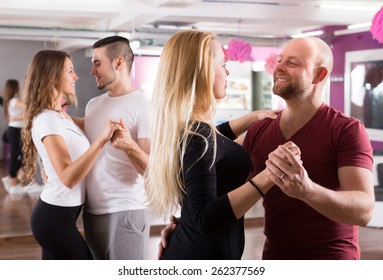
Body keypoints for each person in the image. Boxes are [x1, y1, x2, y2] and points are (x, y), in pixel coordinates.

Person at [159, 36, 375, 260]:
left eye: (292, 63)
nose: (278, 67)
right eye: (279, 60)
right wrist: (186, 223)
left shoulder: (346, 130)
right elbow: (222, 181)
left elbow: (365, 211)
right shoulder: (260, 129)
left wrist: (307, 190)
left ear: (319, 75)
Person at [145, 29, 300, 260]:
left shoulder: (191, 128)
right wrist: (270, 175)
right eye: (223, 64)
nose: (227, 72)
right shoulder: (197, 134)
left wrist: (251, 118)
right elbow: (204, 218)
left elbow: (216, 142)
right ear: (203, 71)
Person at [21, 50, 121, 260]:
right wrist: (101, 141)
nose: (76, 76)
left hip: (61, 216)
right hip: (54, 219)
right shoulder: (48, 119)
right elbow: (67, 177)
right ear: (52, 75)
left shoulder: (60, 116)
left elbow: (88, 125)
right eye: (70, 71)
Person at [73, 36, 151, 260]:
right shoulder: (93, 105)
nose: (91, 70)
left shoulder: (144, 106)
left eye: (97, 62)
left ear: (118, 63)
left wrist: (128, 146)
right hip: (92, 211)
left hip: (125, 210)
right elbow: (83, 137)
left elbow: (150, 170)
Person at [1, 79, 25, 194]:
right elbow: (29, 108)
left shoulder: (11, 101)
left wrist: (17, 117)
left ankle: (10, 179)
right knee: (16, 156)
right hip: (15, 131)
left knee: (21, 155)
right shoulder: (14, 100)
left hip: (15, 130)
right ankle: (12, 182)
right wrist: (18, 117)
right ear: (15, 88)